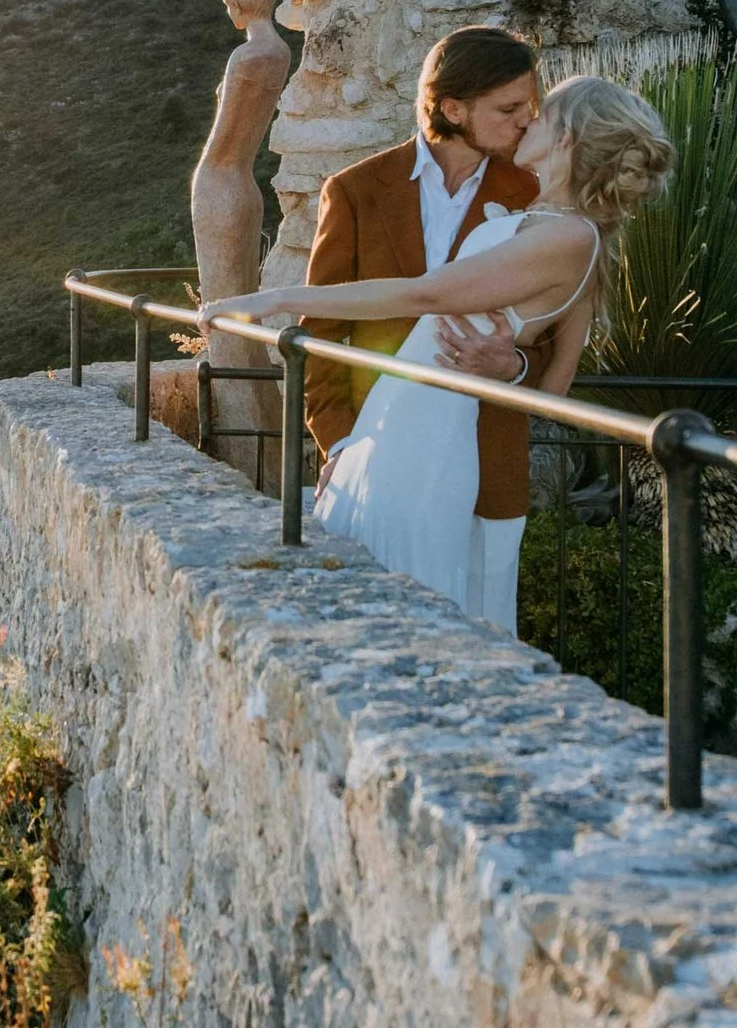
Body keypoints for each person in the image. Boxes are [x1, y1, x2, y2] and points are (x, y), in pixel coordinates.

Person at [201, 75, 674, 629]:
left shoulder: (570, 238)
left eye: (541, 114)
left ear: (567, 138)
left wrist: (276, 298)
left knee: (401, 614)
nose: (526, 120)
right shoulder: (554, 227)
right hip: (396, 422)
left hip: (428, 440)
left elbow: (428, 296)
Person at [303, 28, 546, 601]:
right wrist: (341, 444)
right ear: (454, 108)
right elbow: (320, 334)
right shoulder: (356, 191)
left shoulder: (534, 195)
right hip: (381, 457)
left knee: (486, 629)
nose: (526, 124)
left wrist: (511, 364)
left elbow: (556, 338)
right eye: (509, 109)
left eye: (530, 108)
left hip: (490, 464)